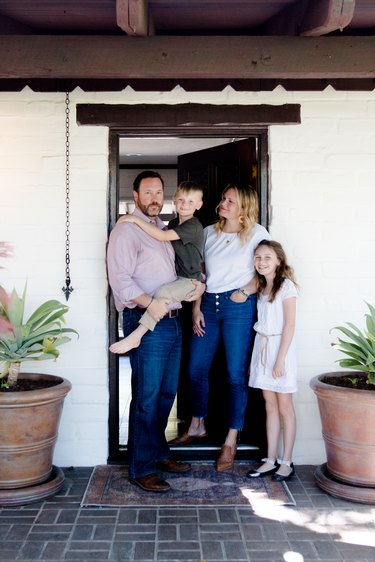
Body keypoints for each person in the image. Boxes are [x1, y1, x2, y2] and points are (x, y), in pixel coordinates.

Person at [106, 170, 205, 493]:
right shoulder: (126, 231)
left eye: (158, 193)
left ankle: (158, 452)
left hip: (172, 322)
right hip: (146, 320)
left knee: (165, 395)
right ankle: (141, 467)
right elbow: (121, 281)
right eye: (147, 193)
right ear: (135, 196)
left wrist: (192, 294)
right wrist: (152, 305)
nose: (154, 199)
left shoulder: (167, 228)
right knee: (147, 398)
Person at [170, 184, 271, 472]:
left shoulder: (256, 233)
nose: (223, 203)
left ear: (244, 207)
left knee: (235, 373)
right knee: (195, 369)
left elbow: (267, 267)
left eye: (230, 201)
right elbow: (200, 272)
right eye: (224, 198)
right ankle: (197, 425)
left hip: (238, 307)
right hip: (208, 305)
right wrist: (196, 307)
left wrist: (245, 291)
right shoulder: (208, 232)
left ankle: (231, 438)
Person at [109, 181, 204, 354]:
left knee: (163, 293)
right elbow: (120, 278)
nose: (185, 205)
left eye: (159, 192)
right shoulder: (173, 224)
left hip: (187, 284)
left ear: (199, 205)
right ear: (174, 200)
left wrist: (133, 218)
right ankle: (136, 336)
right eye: (181, 200)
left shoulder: (191, 226)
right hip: (151, 311)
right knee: (150, 382)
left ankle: (137, 335)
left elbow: (161, 236)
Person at [246, 240, 298, 482]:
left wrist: (280, 361)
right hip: (263, 347)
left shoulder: (286, 287)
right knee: (269, 404)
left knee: (284, 404)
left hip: (280, 349)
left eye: (267, 257)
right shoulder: (260, 288)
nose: (262, 262)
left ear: (278, 260)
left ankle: (286, 461)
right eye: (258, 257)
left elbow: (289, 325)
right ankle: (270, 459)